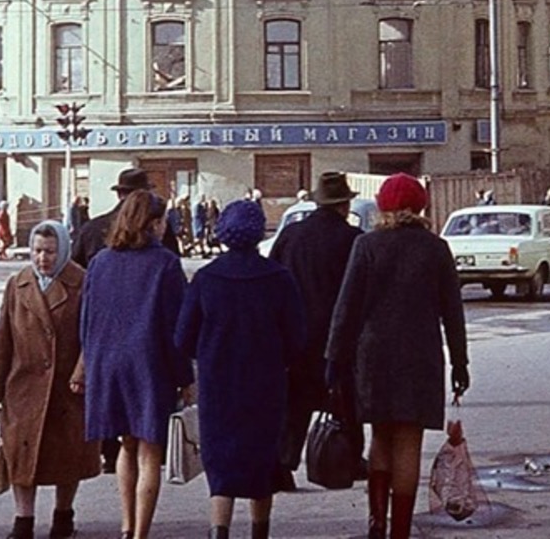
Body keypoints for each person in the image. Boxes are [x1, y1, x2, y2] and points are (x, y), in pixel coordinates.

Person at [327, 173, 468, 539]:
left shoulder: (367, 246)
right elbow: (453, 311)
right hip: (420, 357)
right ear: (420, 205)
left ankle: (376, 523)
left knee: (380, 437)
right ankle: (400, 532)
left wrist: (333, 359)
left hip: (373, 357)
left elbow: (346, 308)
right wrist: (460, 363)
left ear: (383, 205)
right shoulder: (436, 248)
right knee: (409, 442)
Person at [176, 200, 305, 539]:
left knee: (220, 466)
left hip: (218, 386)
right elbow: (297, 338)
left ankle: (220, 532)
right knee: (261, 461)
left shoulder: (206, 279)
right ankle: (259, 531)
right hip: (266, 386)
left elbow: (182, 338)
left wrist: (205, 355)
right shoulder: (278, 278)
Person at [76, 190, 193, 539]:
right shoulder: (165, 264)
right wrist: (185, 376)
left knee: (125, 445)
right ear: (153, 223)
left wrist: (90, 363)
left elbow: (86, 321)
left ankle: (126, 526)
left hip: (108, 365)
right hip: (148, 365)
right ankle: (141, 532)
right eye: (162, 221)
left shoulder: (100, 262)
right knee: (149, 449)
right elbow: (178, 328)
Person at [0, 220, 99, 539]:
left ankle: (63, 517)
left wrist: (82, 371)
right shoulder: (18, 283)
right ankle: (23, 521)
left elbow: (92, 334)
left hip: (67, 388)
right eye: (36, 250)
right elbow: (3, 338)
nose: (42, 258)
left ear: (62, 249)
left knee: (68, 455)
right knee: (21, 454)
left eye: (49, 251)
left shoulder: (82, 282)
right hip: (23, 387)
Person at [268, 171, 364, 490]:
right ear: (344, 205)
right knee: (344, 397)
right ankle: (348, 458)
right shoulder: (353, 238)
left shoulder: (292, 235)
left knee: (294, 403)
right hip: (337, 335)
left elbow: (274, 277)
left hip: (294, 334)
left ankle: (284, 464)